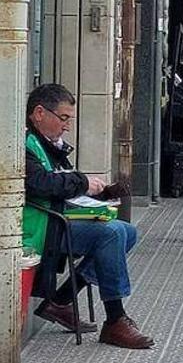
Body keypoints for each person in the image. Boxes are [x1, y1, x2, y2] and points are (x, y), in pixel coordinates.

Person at [23, 84, 154, 348]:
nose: (68, 125)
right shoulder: (24, 144)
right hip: (41, 224)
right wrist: (82, 182)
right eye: (63, 118)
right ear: (39, 113)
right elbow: (40, 183)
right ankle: (115, 319)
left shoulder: (50, 145)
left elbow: (62, 184)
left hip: (60, 216)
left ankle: (60, 300)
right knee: (110, 234)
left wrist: (101, 194)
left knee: (127, 232)